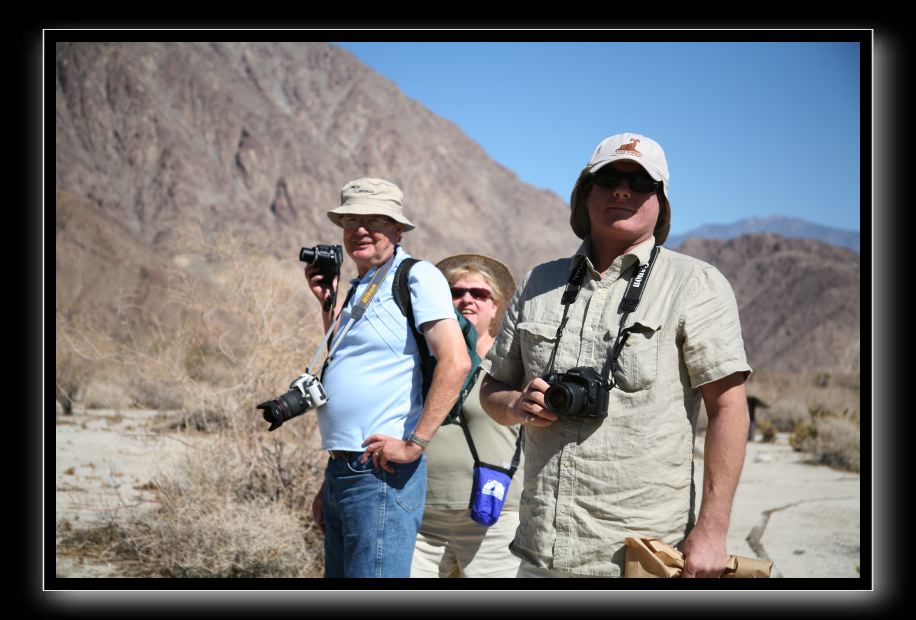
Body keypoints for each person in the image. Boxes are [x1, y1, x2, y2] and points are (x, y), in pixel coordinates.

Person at [479, 133, 752, 578]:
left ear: (660, 202)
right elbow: (493, 386)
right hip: (539, 554)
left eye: (640, 182)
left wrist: (713, 529)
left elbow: (728, 407)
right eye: (608, 178)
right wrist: (515, 404)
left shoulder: (695, 284)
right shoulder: (538, 283)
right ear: (584, 196)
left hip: (640, 557)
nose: (622, 190)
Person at [306, 178, 471, 578]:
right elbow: (350, 363)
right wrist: (328, 303)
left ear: (398, 229)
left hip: (380, 472)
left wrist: (415, 444)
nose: (360, 230)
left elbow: (456, 362)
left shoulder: (417, 276)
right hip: (344, 469)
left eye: (374, 220)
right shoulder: (361, 286)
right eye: (350, 221)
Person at [410, 254, 523, 578]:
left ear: (496, 306)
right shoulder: (421, 361)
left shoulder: (512, 363)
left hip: (496, 514)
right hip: (422, 513)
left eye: (479, 293)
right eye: (456, 293)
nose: (466, 300)